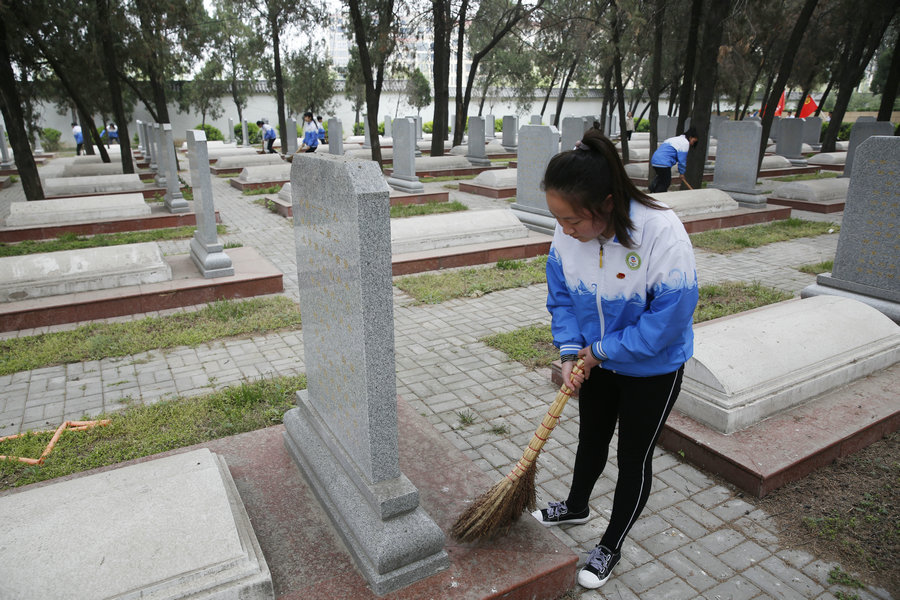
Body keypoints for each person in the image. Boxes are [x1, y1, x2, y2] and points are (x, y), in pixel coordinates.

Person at [532, 128, 698, 590]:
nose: (564, 230)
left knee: (633, 456)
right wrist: (569, 349)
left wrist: (603, 350)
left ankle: (611, 543)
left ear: (606, 204)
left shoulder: (661, 232)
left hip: (652, 368)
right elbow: (561, 297)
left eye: (572, 221)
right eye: (557, 219)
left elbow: (671, 317)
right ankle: (577, 505)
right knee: (591, 438)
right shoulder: (566, 236)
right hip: (595, 360)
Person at [648, 127, 699, 193]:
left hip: (655, 160)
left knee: (661, 178)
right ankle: (659, 197)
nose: (692, 144)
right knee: (666, 182)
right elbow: (682, 161)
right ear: (690, 137)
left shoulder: (675, 139)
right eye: (693, 141)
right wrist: (682, 173)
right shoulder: (685, 143)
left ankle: (652, 188)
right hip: (663, 162)